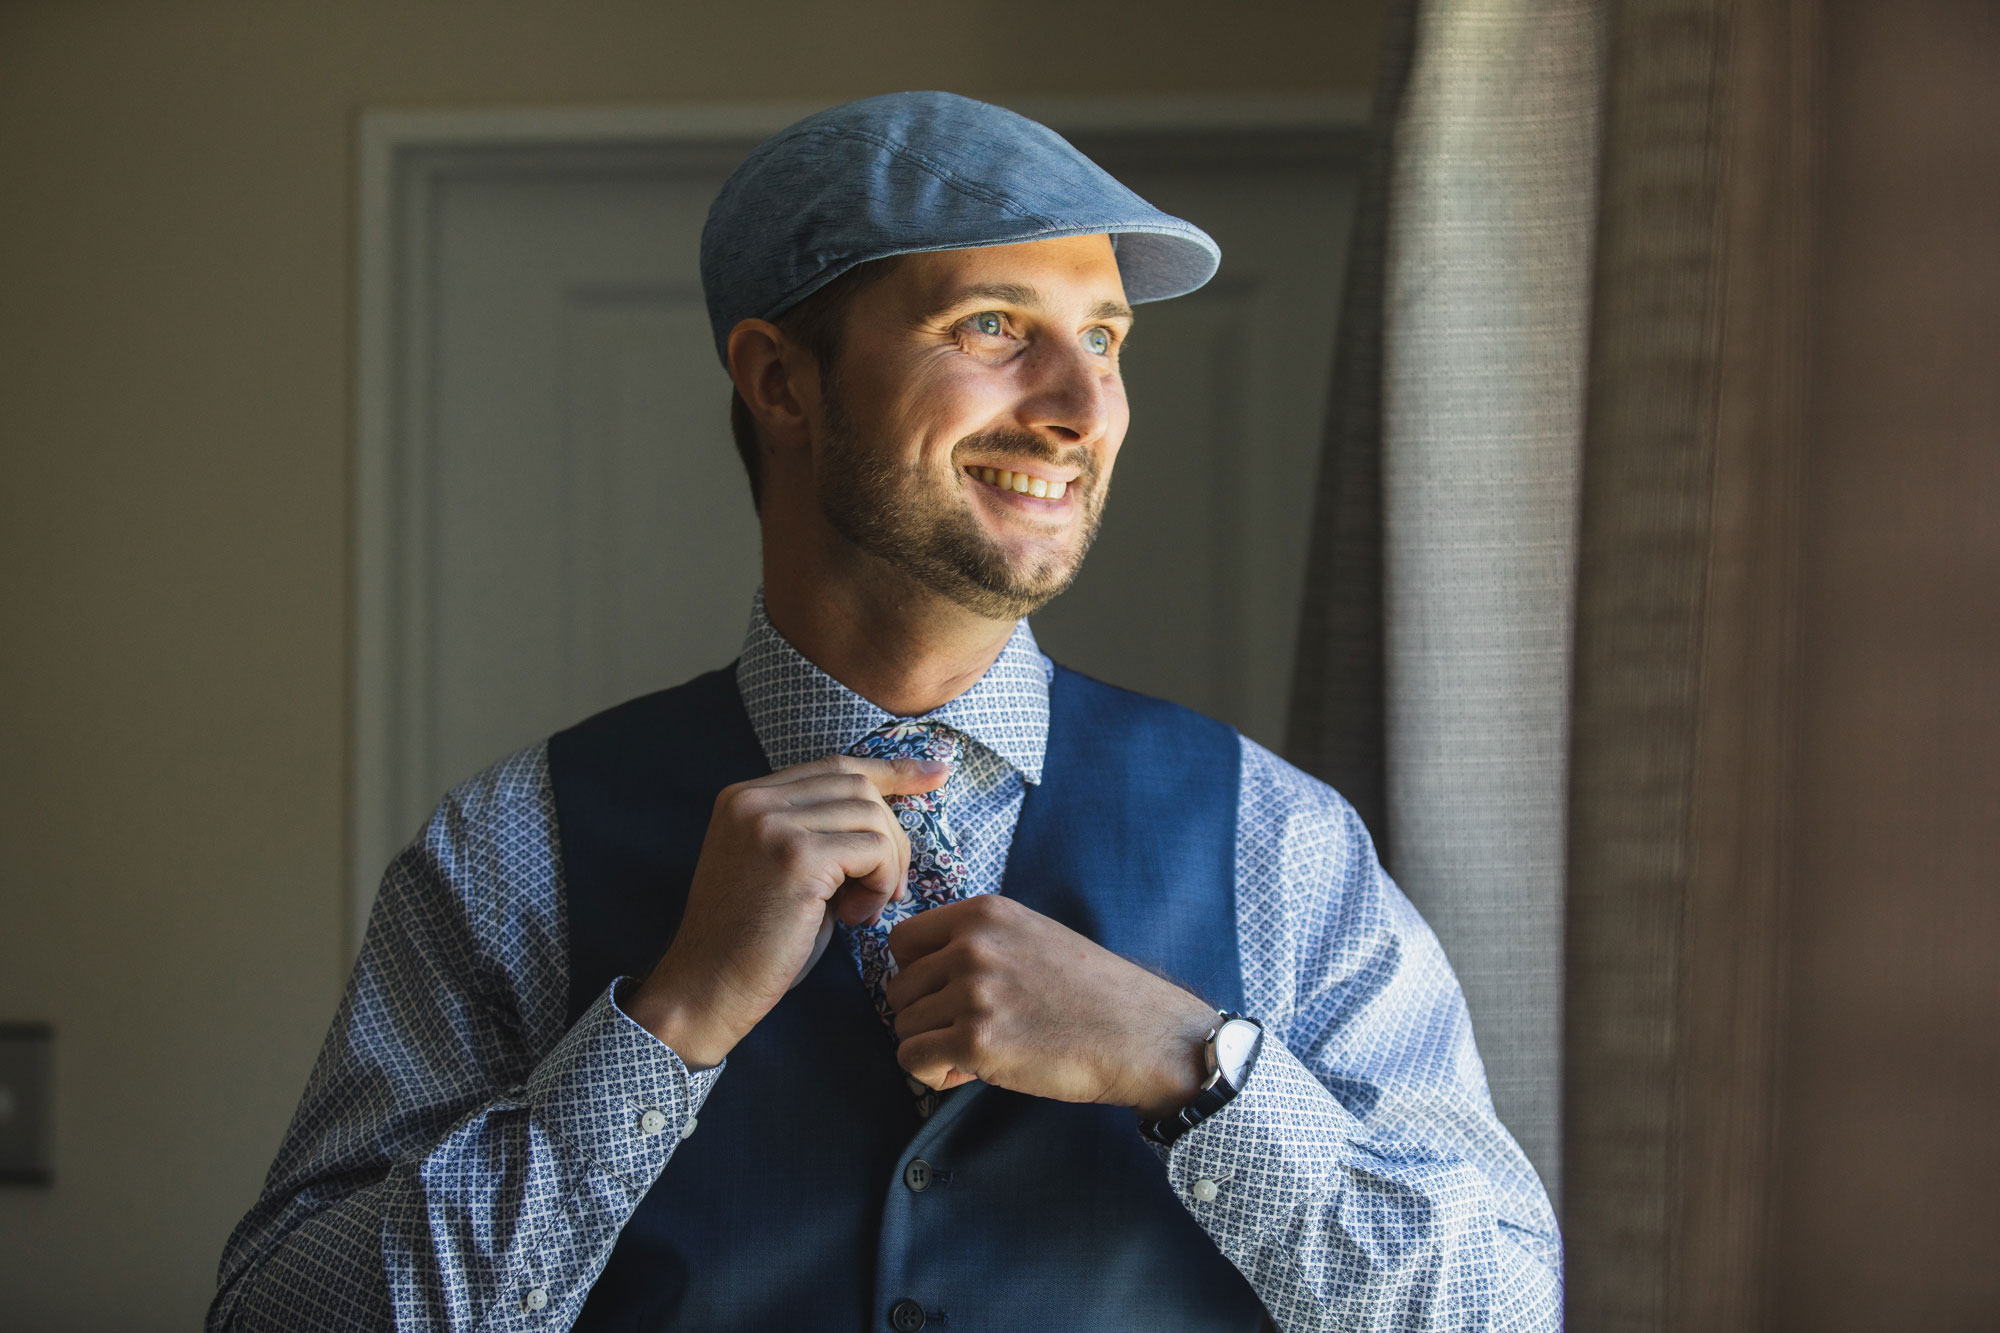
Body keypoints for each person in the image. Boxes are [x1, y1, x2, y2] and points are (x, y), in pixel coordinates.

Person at [209, 92, 1560, 1332]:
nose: (1085, 407)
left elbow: (1505, 1308)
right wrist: (661, 1026)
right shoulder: (514, 849)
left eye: (1104, 339)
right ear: (782, 381)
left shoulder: (1279, 842)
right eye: (993, 328)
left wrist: (1194, 1066)